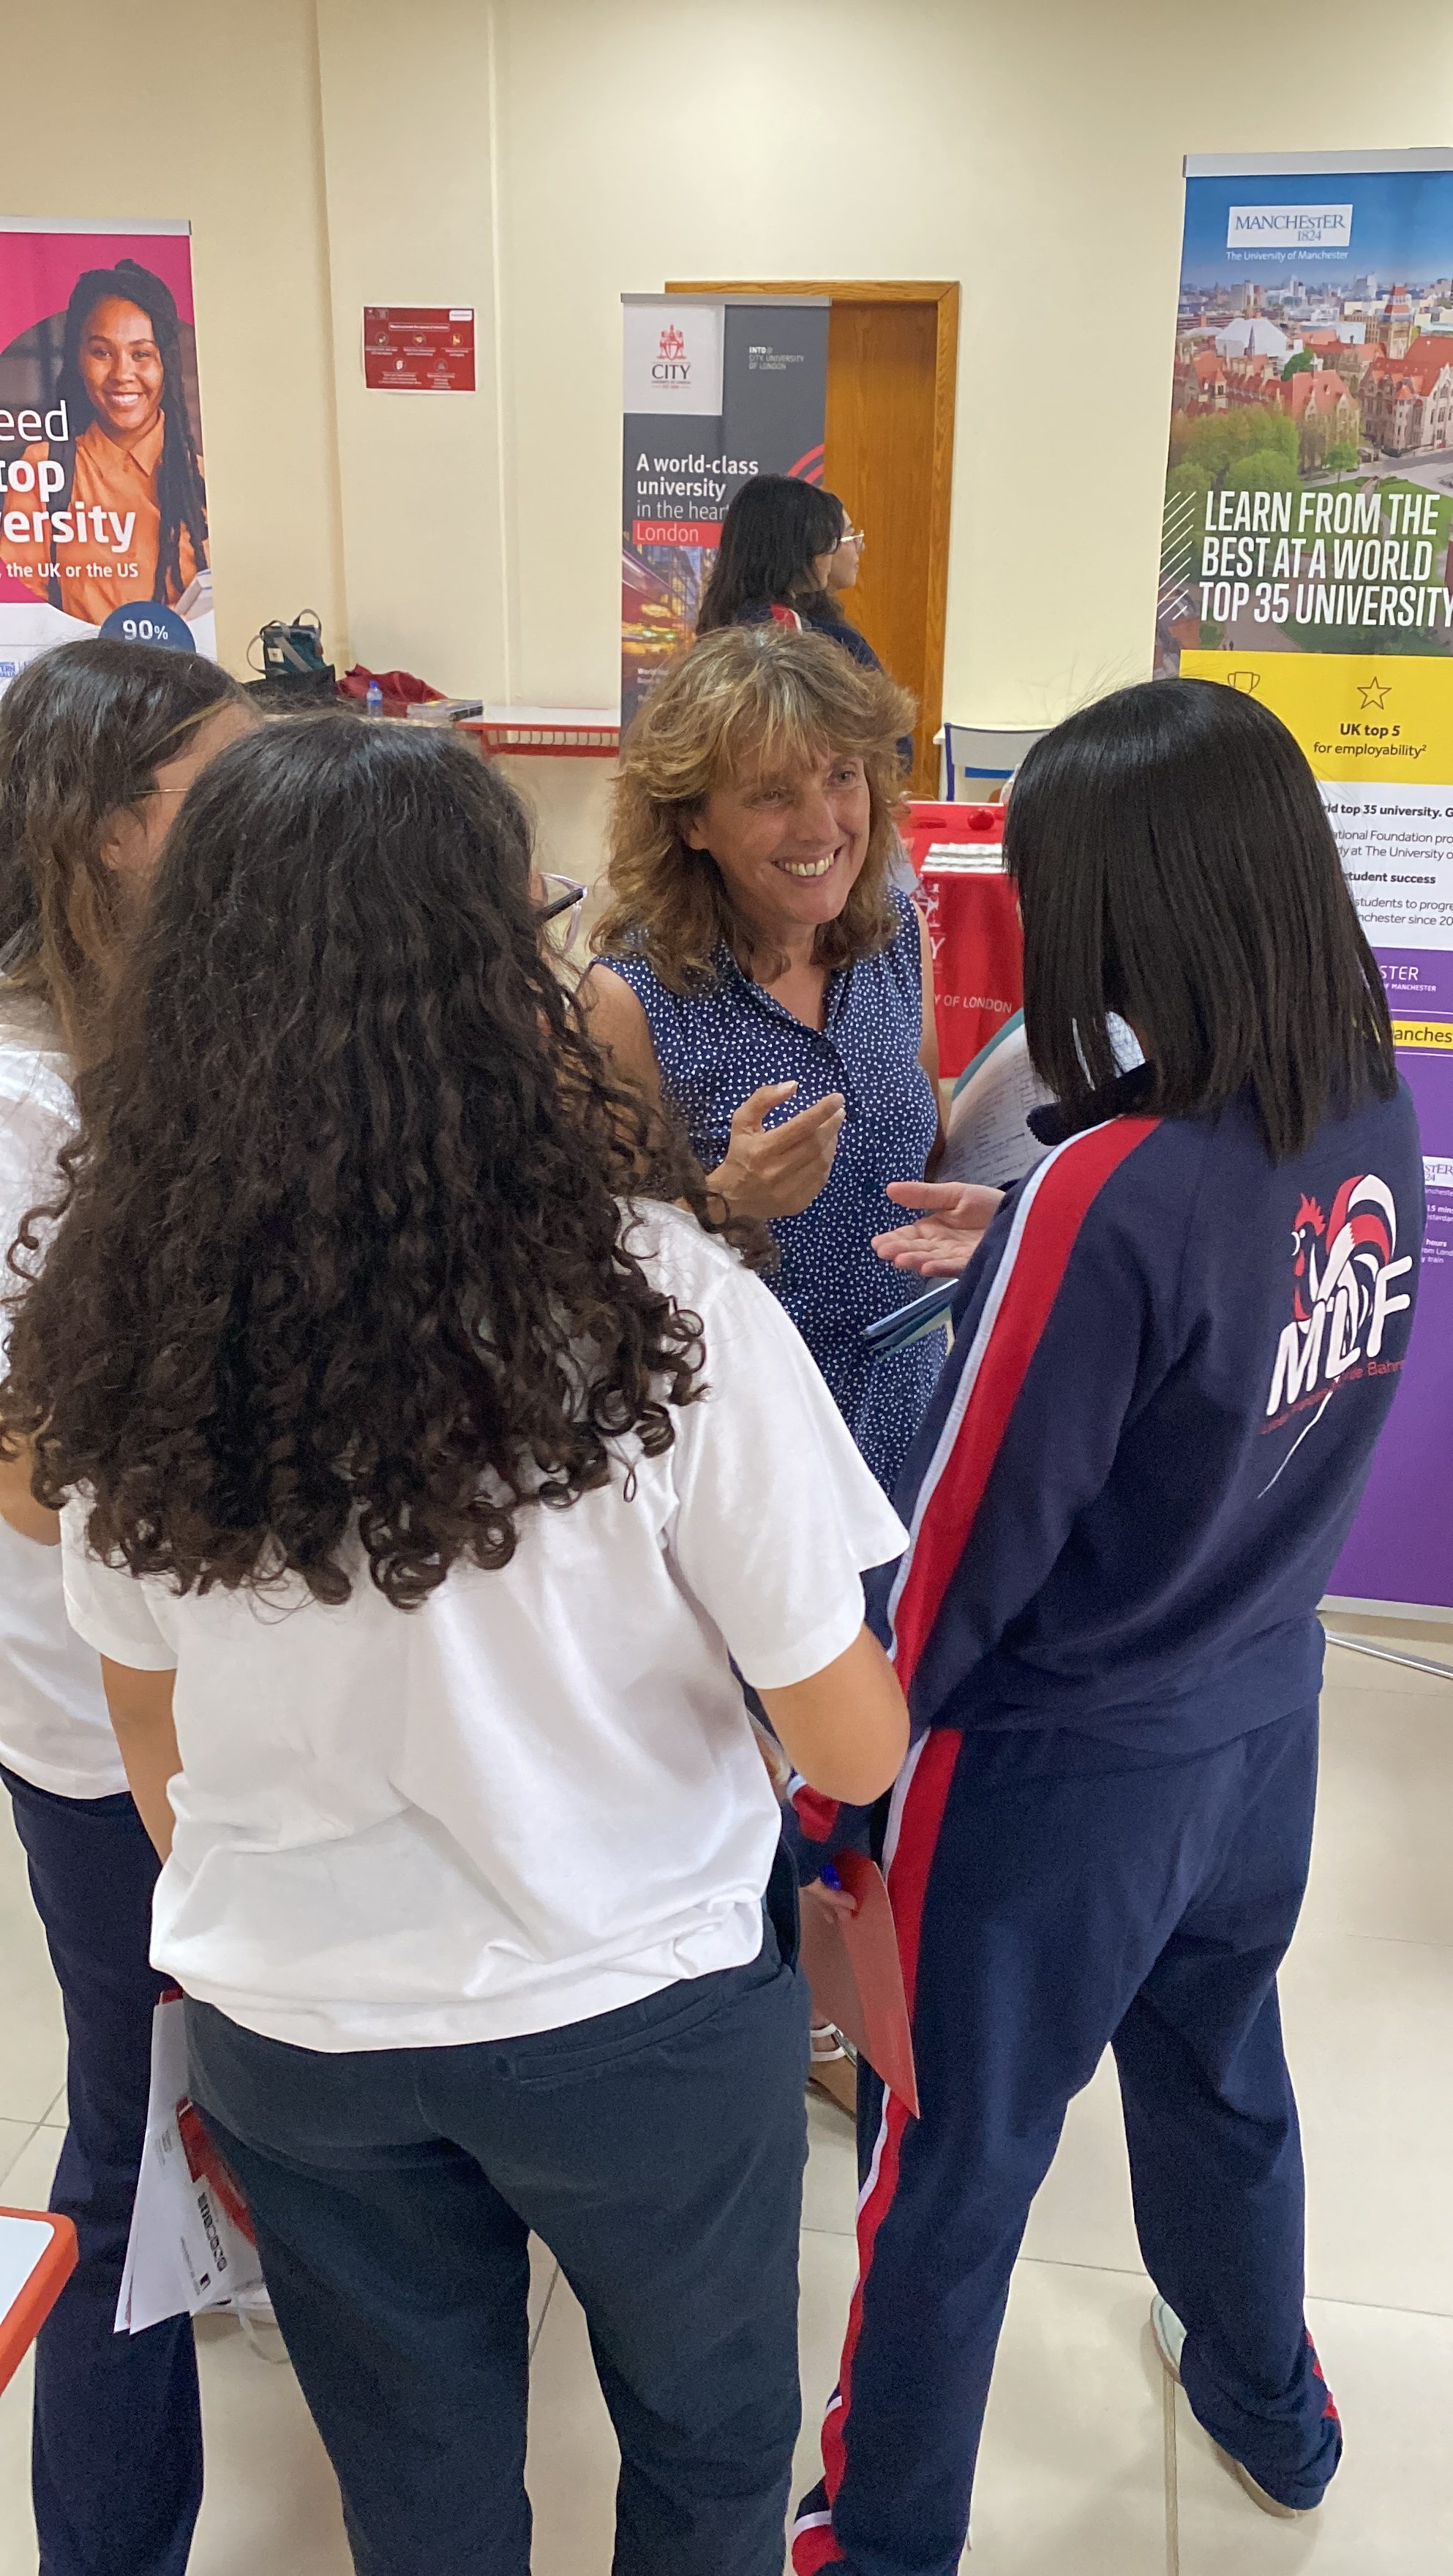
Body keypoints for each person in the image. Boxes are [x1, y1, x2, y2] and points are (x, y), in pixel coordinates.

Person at [1, 716, 911, 2576]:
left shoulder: (127, 1313)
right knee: (706, 2441)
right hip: (637, 2008)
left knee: (416, 2491)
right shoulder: (663, 1300)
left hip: (301, 2030)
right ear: (492, 981)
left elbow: (151, 1744)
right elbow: (851, 1742)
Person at [789, 676, 1424, 2576]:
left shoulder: (1101, 1190)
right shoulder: (1362, 1106)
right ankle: (1273, 2411)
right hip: (1262, 1724)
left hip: (1050, 1787)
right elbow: (1235, 1348)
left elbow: (959, 1554)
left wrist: (833, 1802)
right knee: (1222, 2080)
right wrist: (1035, 1264)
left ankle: (873, 2542)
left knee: (950, 2169)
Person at [0, 639, 252, 2576]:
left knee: (228, 2101)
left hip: (227, 1695)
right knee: (130, 2133)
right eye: (208, 794)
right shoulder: (17, 1099)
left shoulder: (177, 1024)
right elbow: (24, 1473)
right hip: (104, 1726)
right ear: (98, 830)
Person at [588, 622, 943, 1499]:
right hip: (744, 1442)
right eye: (772, 795)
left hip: (907, 1405)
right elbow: (587, 1272)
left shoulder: (896, 940)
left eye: (842, 776)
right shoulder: (628, 998)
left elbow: (928, 1145)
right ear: (691, 821)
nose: (822, 824)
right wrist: (721, 1203)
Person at [0, 259, 209, 626]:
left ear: (166, 364)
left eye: (141, 354)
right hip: (78, 664)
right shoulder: (44, 468)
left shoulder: (203, 479)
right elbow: (24, 610)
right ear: (78, 360)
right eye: (102, 352)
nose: (122, 374)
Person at [697, 473, 879, 671]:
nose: (830, 553)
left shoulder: (724, 622)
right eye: (825, 541)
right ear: (792, 549)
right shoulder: (784, 632)